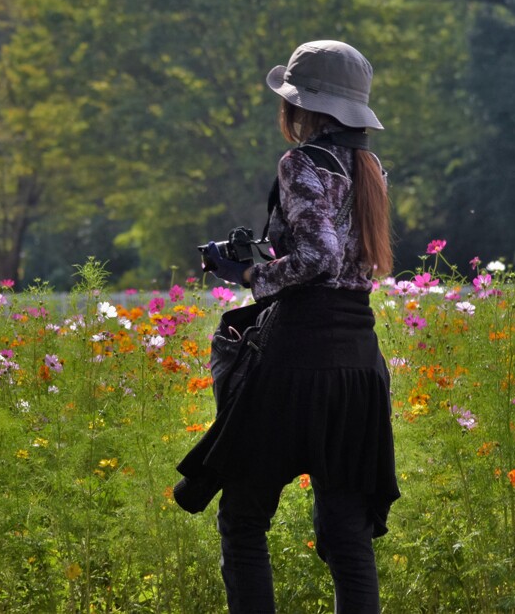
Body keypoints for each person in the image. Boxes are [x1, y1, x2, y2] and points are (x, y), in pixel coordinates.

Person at [200, 40, 400, 613]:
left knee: (243, 518)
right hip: (358, 361)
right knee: (346, 534)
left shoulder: (302, 163)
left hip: (297, 358)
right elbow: (351, 258)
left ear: (303, 107)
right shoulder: (370, 167)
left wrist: (249, 275)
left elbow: (320, 258)